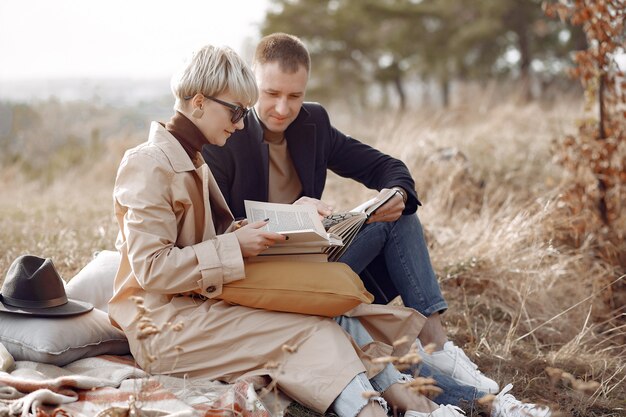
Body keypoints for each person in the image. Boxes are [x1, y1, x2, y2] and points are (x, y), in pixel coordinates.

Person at [201, 33, 552, 417]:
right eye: (271, 94)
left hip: (322, 264)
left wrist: (397, 194)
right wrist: (285, 215)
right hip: (270, 282)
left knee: (398, 214)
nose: (283, 108)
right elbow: (218, 233)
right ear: (253, 83)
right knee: (360, 334)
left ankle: (438, 345)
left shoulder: (312, 122)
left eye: (295, 96)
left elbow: (387, 167)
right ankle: (482, 404)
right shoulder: (226, 137)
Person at [108, 43, 468, 417]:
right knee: (315, 332)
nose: (241, 123)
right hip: (164, 328)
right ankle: (384, 408)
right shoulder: (148, 163)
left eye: (244, 112)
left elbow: (207, 238)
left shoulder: (192, 159)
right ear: (199, 102)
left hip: (200, 307)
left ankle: (416, 401)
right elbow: (151, 268)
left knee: (327, 319)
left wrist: (271, 228)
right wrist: (235, 244)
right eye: (235, 111)